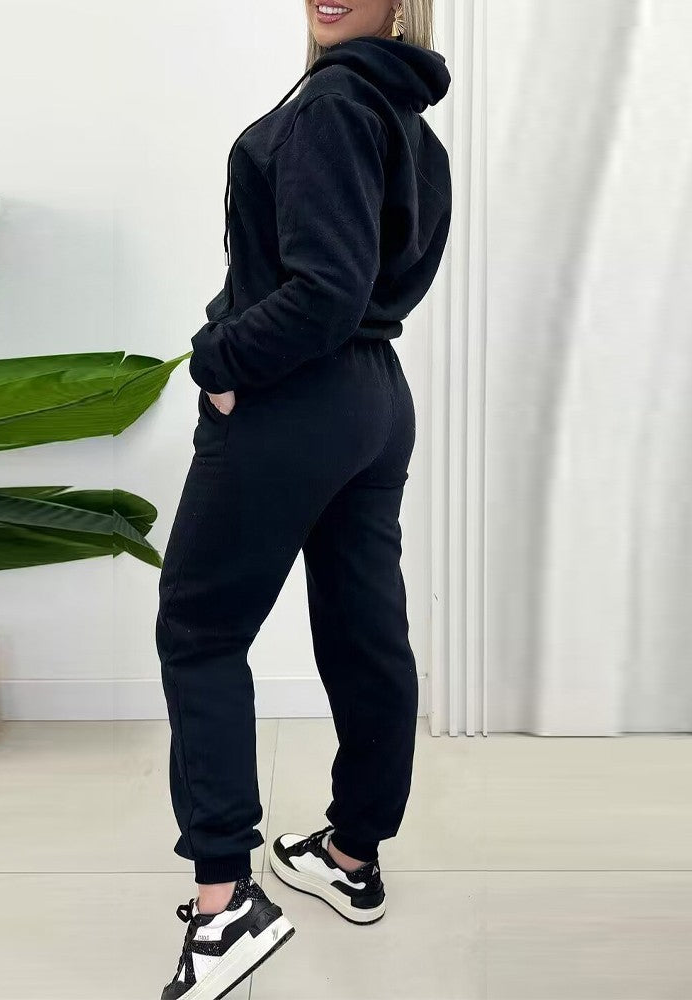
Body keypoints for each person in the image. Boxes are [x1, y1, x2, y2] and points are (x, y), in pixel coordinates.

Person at [154, 2, 452, 996]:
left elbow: (325, 288)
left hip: (296, 397)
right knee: (365, 631)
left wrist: (219, 357)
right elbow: (361, 283)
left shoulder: (331, 105)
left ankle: (224, 904)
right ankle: (351, 854)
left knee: (199, 630)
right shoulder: (405, 118)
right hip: (375, 399)